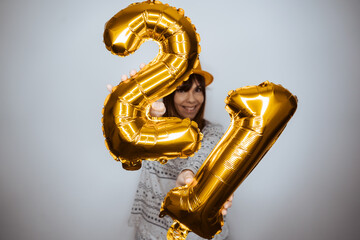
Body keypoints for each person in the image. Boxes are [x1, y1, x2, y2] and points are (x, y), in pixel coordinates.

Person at [107, 63, 233, 240]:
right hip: (150, 233)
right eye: (182, 89)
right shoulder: (152, 131)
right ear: (169, 92)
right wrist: (130, 116)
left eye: (198, 90)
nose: (192, 99)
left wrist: (188, 175)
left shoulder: (213, 133)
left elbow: (200, 156)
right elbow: (128, 149)